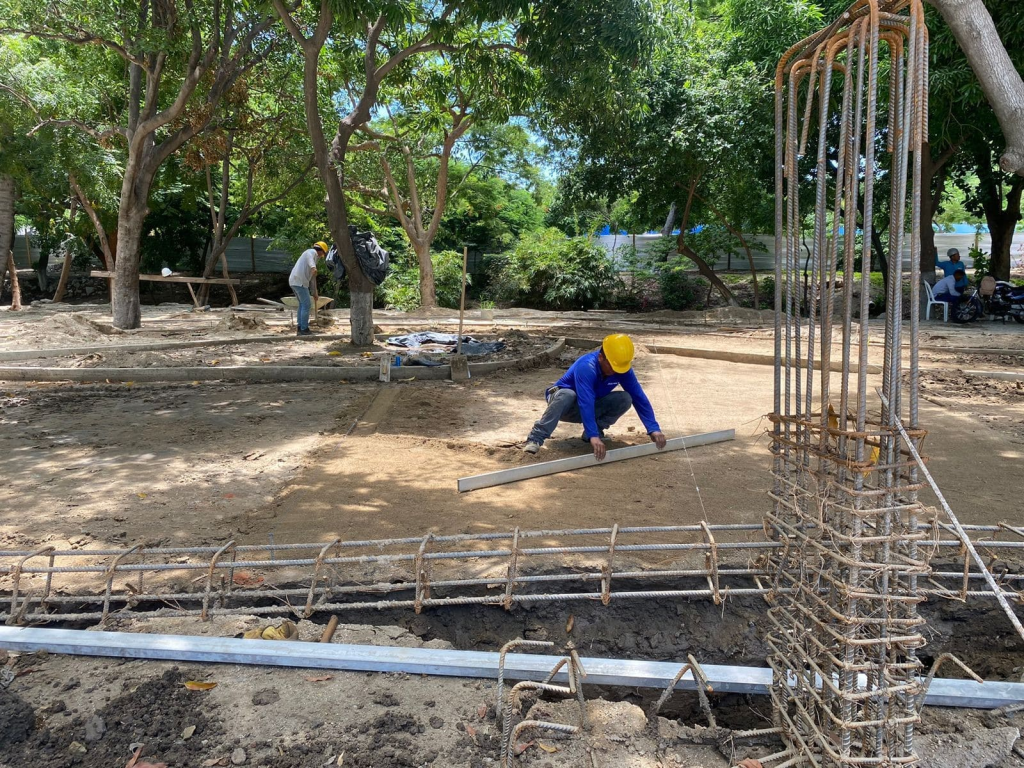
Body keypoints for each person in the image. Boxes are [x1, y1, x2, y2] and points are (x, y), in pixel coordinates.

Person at [523, 334, 667, 460]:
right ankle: (535, 438)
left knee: (625, 398)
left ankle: (594, 431)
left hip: (590, 406)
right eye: (612, 366)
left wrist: (653, 428)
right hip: (564, 405)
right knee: (567, 394)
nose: (615, 371)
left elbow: (639, 397)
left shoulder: (622, 369)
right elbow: (585, 401)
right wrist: (594, 437)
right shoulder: (586, 366)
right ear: (600, 357)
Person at [289, 241, 327, 336]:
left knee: (302, 304)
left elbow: (312, 279)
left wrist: (315, 292)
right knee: (306, 305)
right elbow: (310, 258)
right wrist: (313, 267)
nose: (321, 256)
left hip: (295, 281)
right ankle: (304, 329)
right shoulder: (311, 252)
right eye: (323, 253)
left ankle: (300, 327)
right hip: (299, 282)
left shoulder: (313, 259)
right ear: (321, 251)